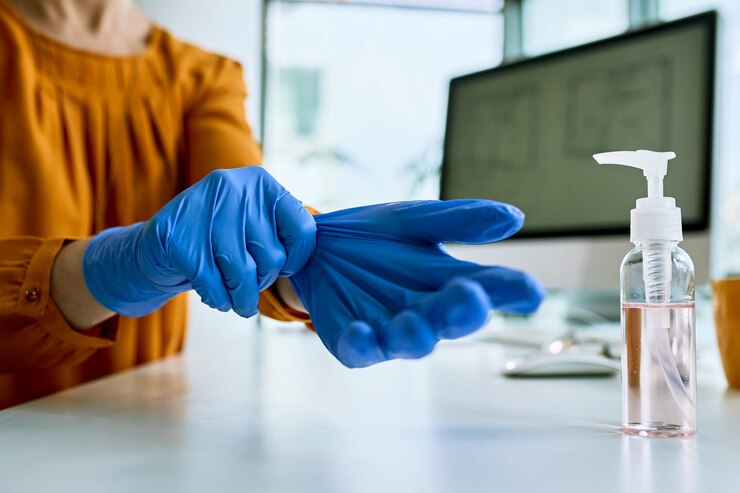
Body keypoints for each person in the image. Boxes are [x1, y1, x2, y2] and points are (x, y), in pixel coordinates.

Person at [0, 0, 544, 410]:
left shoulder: (202, 76)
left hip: (139, 420)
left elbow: (246, 220)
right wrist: (101, 271)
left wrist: (310, 263)